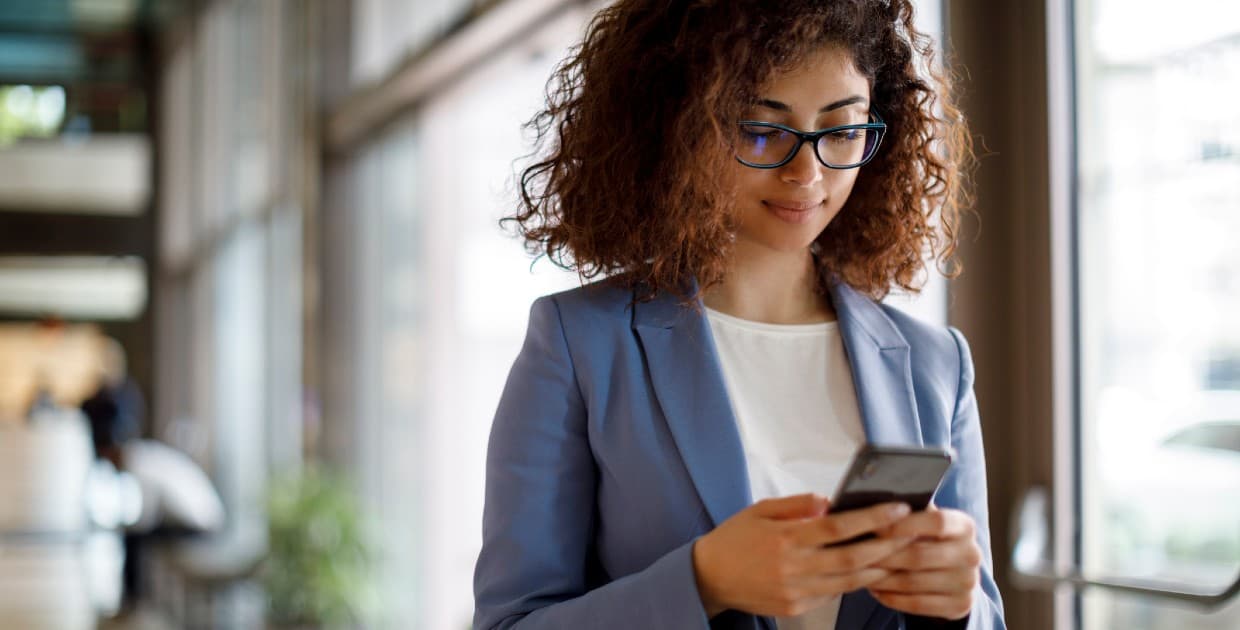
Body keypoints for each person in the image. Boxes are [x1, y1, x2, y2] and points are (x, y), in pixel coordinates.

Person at [473, 1, 1004, 628]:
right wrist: (704, 581)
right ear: (682, 127)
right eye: (760, 129)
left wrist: (956, 608)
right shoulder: (581, 344)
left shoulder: (934, 364)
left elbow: (982, 616)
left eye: (841, 131)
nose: (807, 172)